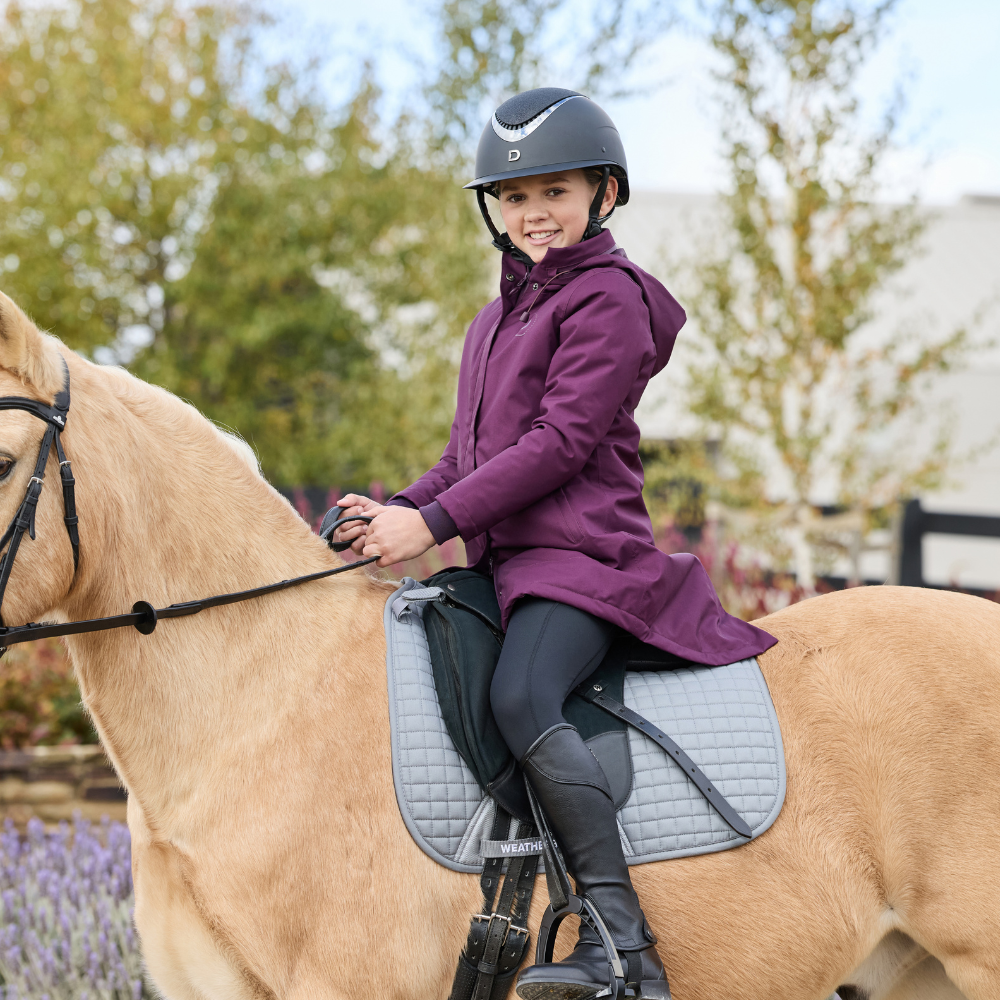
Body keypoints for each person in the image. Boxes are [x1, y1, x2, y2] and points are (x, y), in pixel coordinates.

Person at [334, 87, 776, 1000]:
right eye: (513, 197)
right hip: (505, 566)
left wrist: (433, 525)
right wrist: (393, 510)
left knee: (525, 691)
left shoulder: (608, 299)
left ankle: (624, 953)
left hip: (584, 563)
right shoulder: (492, 322)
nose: (533, 214)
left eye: (555, 193)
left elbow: (560, 444)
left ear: (603, 195)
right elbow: (467, 457)